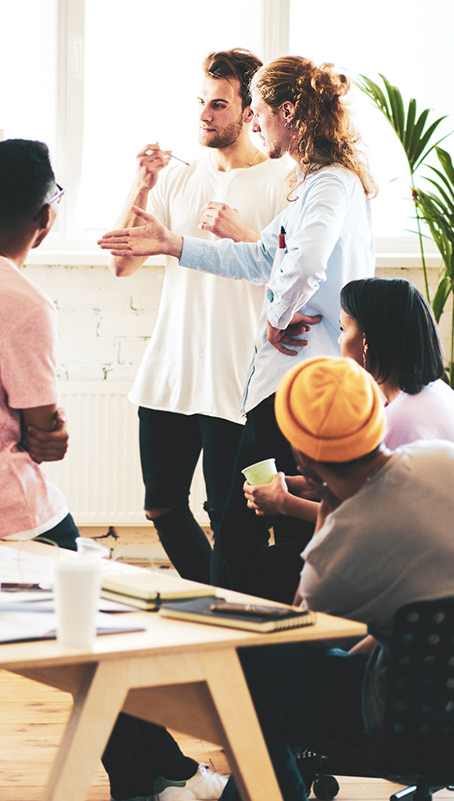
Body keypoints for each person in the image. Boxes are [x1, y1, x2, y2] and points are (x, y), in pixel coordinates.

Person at [0, 139, 225, 801]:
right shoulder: (21, 299)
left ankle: (149, 784)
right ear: (46, 216)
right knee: (109, 635)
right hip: (10, 515)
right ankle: (161, 780)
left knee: (94, 642)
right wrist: (52, 432)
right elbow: (46, 439)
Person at [119, 356, 454, 801]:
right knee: (289, 676)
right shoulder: (446, 460)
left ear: (300, 456)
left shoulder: (342, 547)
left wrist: (329, 506)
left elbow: (296, 644)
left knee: (251, 673)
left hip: (421, 722)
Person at [99, 55, 376, 599]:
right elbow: (258, 259)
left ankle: (253, 637)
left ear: (284, 111)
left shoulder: (322, 185)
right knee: (243, 528)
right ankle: (253, 633)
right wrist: (173, 243)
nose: (254, 123)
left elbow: (306, 261)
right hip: (276, 384)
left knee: (244, 528)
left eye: (259, 111)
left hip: (295, 385)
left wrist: (274, 318)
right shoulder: (310, 184)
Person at [108, 49, 291, 583]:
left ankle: (229, 630)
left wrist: (247, 236)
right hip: (172, 372)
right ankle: (210, 604)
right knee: (160, 507)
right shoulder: (176, 179)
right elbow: (122, 264)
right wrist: (141, 184)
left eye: (219, 104)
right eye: (201, 103)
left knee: (230, 520)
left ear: (250, 111)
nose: (205, 116)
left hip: (238, 381)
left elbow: (296, 274)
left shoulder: (282, 180)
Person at [243, 277, 454, 528]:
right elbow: (371, 488)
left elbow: (366, 521)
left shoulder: (399, 420)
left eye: (343, 329)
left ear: (367, 342)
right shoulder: (437, 395)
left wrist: (284, 504)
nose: (339, 341)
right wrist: (309, 485)